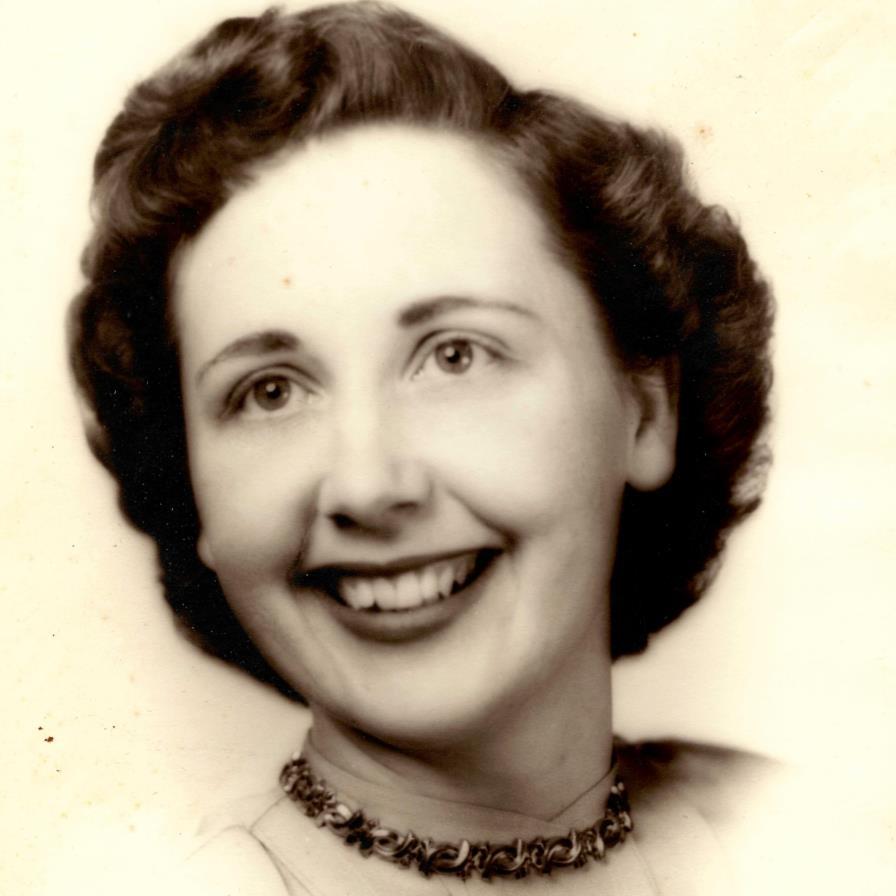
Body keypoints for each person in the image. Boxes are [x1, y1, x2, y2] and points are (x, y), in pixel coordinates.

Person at [68, 2, 778, 893]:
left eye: (455, 356)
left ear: (645, 408)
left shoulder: (810, 829)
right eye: (270, 391)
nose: (369, 486)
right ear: (190, 485)